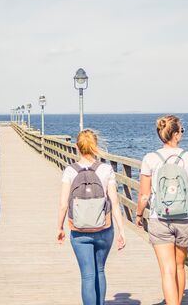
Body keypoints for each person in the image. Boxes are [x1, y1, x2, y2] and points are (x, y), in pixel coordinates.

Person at [135, 115, 188, 305]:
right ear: (176, 134)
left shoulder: (150, 159)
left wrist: (138, 214)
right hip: (186, 219)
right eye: (181, 131)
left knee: (166, 270)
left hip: (159, 219)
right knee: (179, 267)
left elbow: (143, 195)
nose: (181, 134)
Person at [57, 129, 126, 305]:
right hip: (104, 228)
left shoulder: (70, 171)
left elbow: (64, 204)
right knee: (100, 271)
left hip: (79, 231)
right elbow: (115, 202)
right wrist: (121, 230)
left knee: (87, 276)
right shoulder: (106, 169)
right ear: (95, 146)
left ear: (77, 147)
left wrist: (59, 228)